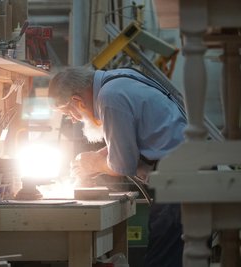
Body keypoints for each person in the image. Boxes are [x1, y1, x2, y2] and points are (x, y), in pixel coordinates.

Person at [48, 66, 187, 267]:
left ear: (77, 101)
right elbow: (130, 140)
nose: (74, 119)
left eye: (69, 113)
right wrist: (97, 157)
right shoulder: (117, 80)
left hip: (180, 182)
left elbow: (123, 166)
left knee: (164, 261)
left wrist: (91, 164)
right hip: (183, 174)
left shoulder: (109, 98)